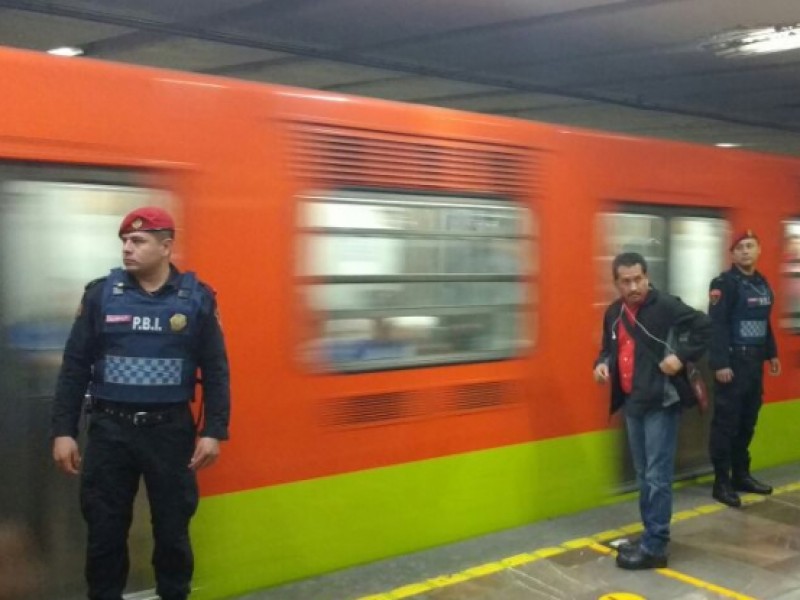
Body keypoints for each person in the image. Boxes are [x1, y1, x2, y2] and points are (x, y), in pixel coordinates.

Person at [51, 207, 230, 600]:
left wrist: (214, 430)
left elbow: (216, 370)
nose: (127, 249)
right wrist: (63, 431)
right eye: (125, 242)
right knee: (104, 533)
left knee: (172, 533)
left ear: (166, 246)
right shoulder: (100, 296)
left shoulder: (197, 300)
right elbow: (74, 367)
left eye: (138, 241)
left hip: (170, 432)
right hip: (110, 431)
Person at [593, 252, 710, 570]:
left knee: (657, 478)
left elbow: (705, 326)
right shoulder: (614, 314)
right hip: (633, 404)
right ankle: (649, 536)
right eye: (626, 281)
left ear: (647, 277)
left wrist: (682, 357)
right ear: (616, 283)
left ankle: (656, 546)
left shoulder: (667, 306)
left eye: (638, 279)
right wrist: (602, 365)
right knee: (645, 475)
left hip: (661, 402)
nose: (633, 287)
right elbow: (607, 348)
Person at [708, 230, 780, 508]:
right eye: (739, 248)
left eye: (750, 246)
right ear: (732, 254)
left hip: (754, 364)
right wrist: (720, 363)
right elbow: (717, 325)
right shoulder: (724, 284)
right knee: (726, 423)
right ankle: (721, 481)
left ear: (759, 249)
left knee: (747, 421)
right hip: (733, 363)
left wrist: (771, 354)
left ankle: (741, 474)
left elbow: (765, 321)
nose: (745, 251)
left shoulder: (762, 283)